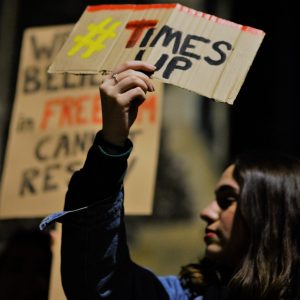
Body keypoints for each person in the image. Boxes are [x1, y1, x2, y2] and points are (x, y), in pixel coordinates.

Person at [40, 61, 300, 300]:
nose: (206, 212)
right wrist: (111, 143)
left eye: (227, 200)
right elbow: (103, 288)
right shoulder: (184, 295)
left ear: (273, 215)